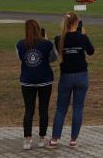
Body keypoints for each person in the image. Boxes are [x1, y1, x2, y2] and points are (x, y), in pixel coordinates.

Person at [47, 13, 95, 148]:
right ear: (77, 22)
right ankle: (73, 140)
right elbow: (91, 52)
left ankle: (55, 139)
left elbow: (56, 55)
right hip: (81, 75)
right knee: (78, 108)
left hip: (66, 76)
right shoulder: (82, 37)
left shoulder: (59, 39)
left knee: (61, 109)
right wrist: (84, 35)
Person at [16, 20, 57, 150]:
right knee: (43, 109)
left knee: (29, 109)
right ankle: (41, 138)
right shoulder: (47, 44)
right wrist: (46, 41)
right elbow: (53, 58)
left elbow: (20, 58)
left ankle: (27, 140)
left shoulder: (20, 44)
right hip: (45, 80)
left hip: (27, 80)